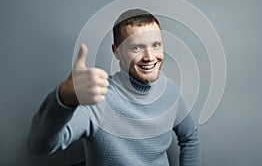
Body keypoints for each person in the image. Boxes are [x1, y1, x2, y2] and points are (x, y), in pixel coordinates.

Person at [27, 9, 201, 165]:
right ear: (117, 52)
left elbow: (190, 137)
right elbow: (38, 146)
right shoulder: (98, 99)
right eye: (137, 47)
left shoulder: (169, 89)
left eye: (156, 45)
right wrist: (62, 99)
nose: (149, 56)